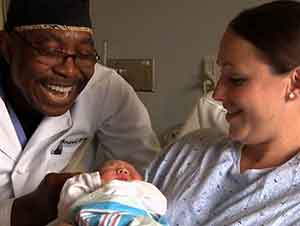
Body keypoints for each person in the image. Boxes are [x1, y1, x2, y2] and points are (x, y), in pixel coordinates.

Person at [0, 0, 159, 225]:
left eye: (85, 53)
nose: (69, 70)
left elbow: (146, 173)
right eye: (50, 50)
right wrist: (23, 211)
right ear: (7, 47)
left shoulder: (105, 89)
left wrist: (117, 187)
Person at [147, 1, 300, 225]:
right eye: (220, 75)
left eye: (236, 79)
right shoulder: (189, 151)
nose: (217, 94)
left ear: (295, 82)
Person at [54, 160, 168, 226]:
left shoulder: (142, 193)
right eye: (112, 167)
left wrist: (138, 186)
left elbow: (160, 206)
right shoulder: (92, 190)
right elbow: (68, 200)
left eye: (131, 170)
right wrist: (96, 181)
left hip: (136, 219)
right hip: (95, 219)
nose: (123, 171)